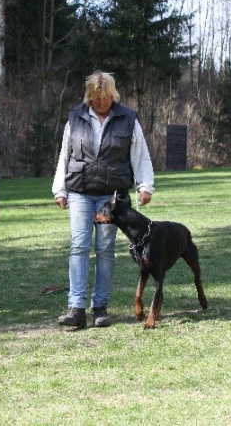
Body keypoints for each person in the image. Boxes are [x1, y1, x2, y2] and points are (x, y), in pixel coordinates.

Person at [52, 71, 154, 328]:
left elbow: (140, 155)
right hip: (79, 191)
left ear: (113, 95)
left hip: (112, 197)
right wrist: (60, 189)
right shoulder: (75, 117)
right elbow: (65, 154)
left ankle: (100, 307)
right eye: (96, 98)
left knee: (105, 250)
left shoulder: (128, 119)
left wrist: (145, 186)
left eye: (105, 97)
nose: (100, 102)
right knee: (78, 246)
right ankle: (76, 307)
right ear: (89, 96)